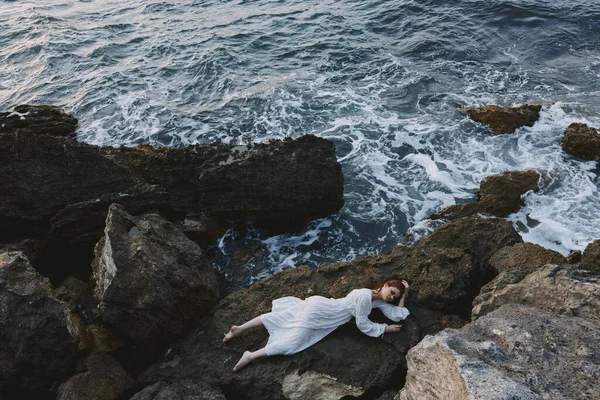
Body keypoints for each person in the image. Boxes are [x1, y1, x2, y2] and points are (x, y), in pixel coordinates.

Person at [223, 279, 410, 371]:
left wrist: (404, 295)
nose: (391, 297)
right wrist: (383, 329)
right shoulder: (364, 297)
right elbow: (362, 323)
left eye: (394, 297)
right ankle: (250, 355)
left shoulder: (373, 298)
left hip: (322, 306)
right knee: (292, 343)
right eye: (392, 291)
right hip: (323, 314)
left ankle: (239, 328)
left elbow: (396, 316)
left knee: (280, 317)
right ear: (384, 285)